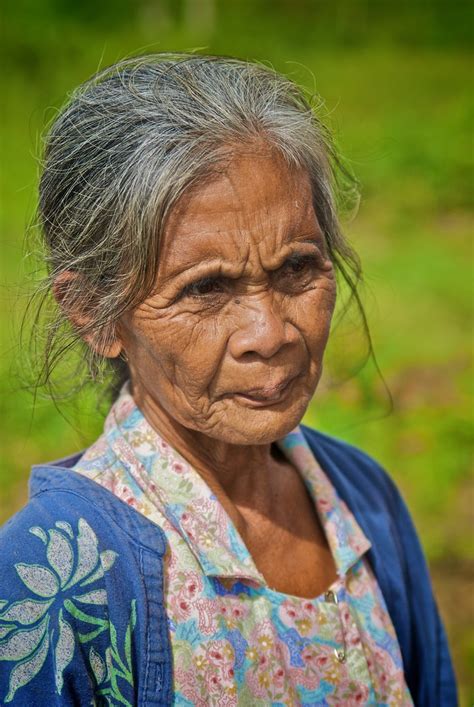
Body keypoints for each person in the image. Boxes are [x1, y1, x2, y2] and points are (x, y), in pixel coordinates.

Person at [0, 54, 457, 706]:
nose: (270, 332)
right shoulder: (49, 577)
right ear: (95, 314)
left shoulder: (365, 504)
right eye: (207, 288)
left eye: (297, 268)